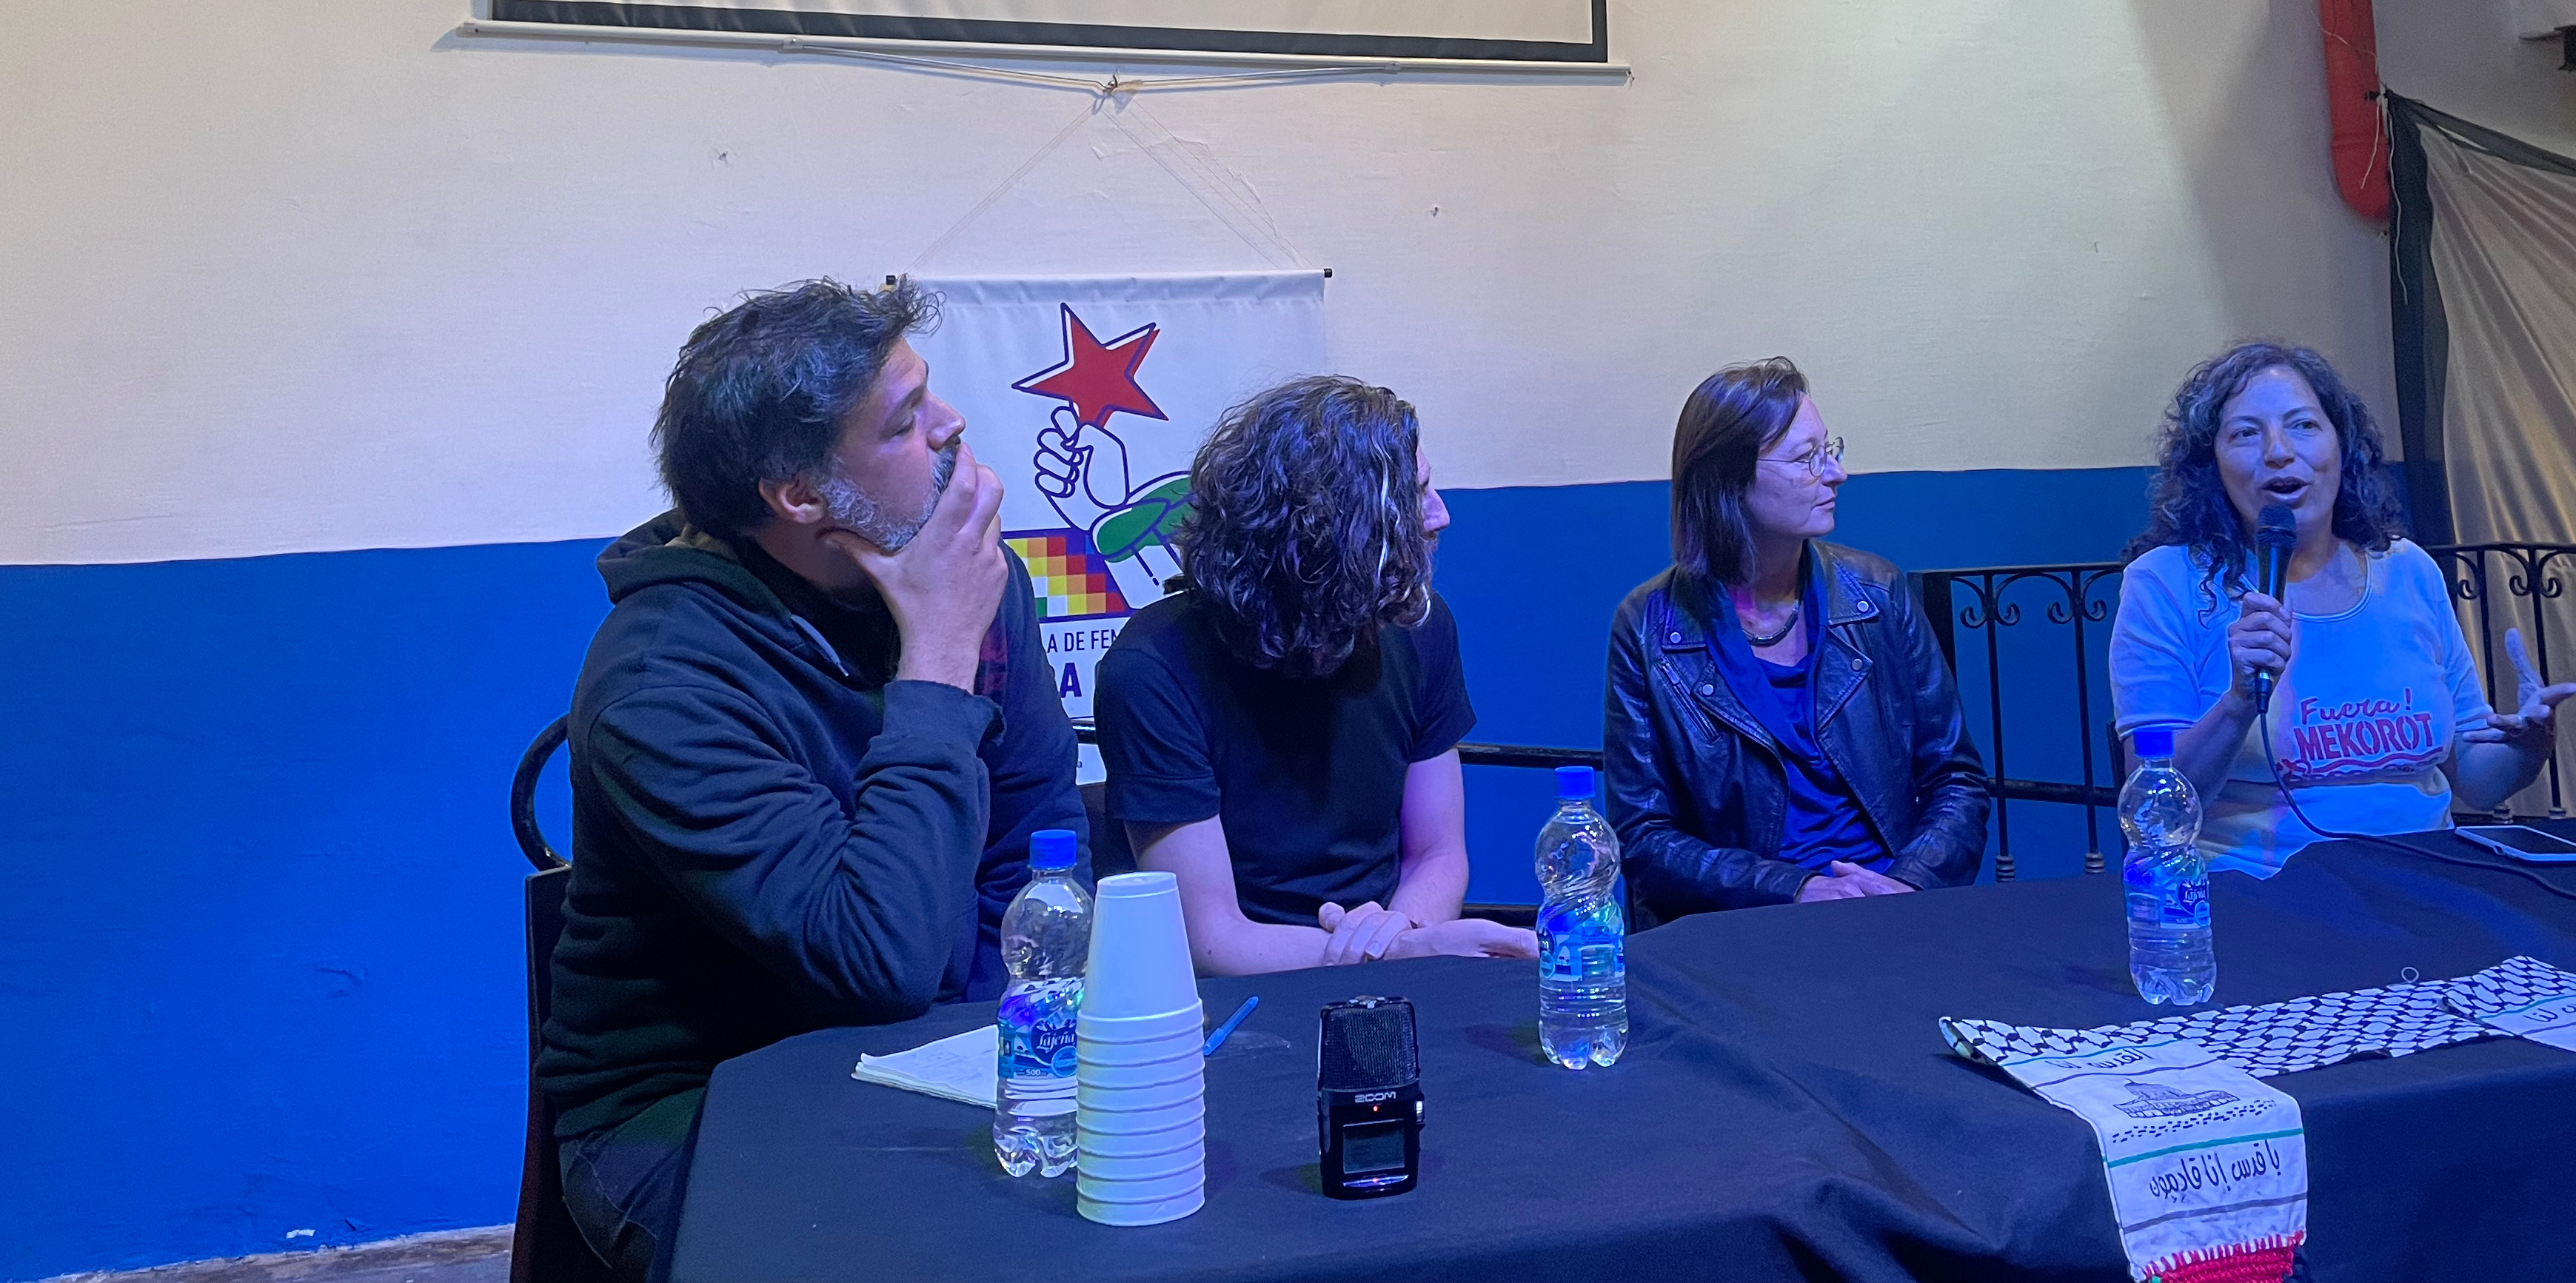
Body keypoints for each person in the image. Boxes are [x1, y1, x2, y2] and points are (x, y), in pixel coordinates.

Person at [538, 281, 1083, 1283]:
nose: (952, 426)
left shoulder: (960, 587)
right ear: (799, 496)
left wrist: (994, 1053)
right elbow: (877, 960)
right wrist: (935, 661)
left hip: (942, 1057)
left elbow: (1034, 847)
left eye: (931, 396)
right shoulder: (664, 682)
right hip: (699, 1103)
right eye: (908, 421)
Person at [1091, 375, 1534, 973]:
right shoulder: (1151, 668)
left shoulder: (1420, 623)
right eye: (1417, 495)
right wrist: (1397, 951)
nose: (1441, 516)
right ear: (1335, 530)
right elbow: (1211, 939)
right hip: (1245, 998)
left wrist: (1399, 933)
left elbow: (1437, 854)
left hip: (1388, 950)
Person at [2107, 341, 2574, 875]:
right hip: (2257, 898)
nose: (2278, 451)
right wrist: (2238, 701)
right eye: (2245, 434)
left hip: (2430, 886)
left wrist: (2531, 747)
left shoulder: (2409, 571)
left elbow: (2474, 778)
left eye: (2303, 425)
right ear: (2211, 465)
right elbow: (2154, 809)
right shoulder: (2166, 584)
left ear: (2340, 445)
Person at [1604, 358, 1989, 920]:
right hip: (1750, 925)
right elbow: (1642, 838)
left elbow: (1956, 779)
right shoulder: (1648, 626)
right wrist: (1796, 889)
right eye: (1807, 459)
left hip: (1892, 909)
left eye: (1829, 450)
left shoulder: (1878, 594)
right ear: (1728, 479)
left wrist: (1908, 883)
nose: (1835, 474)